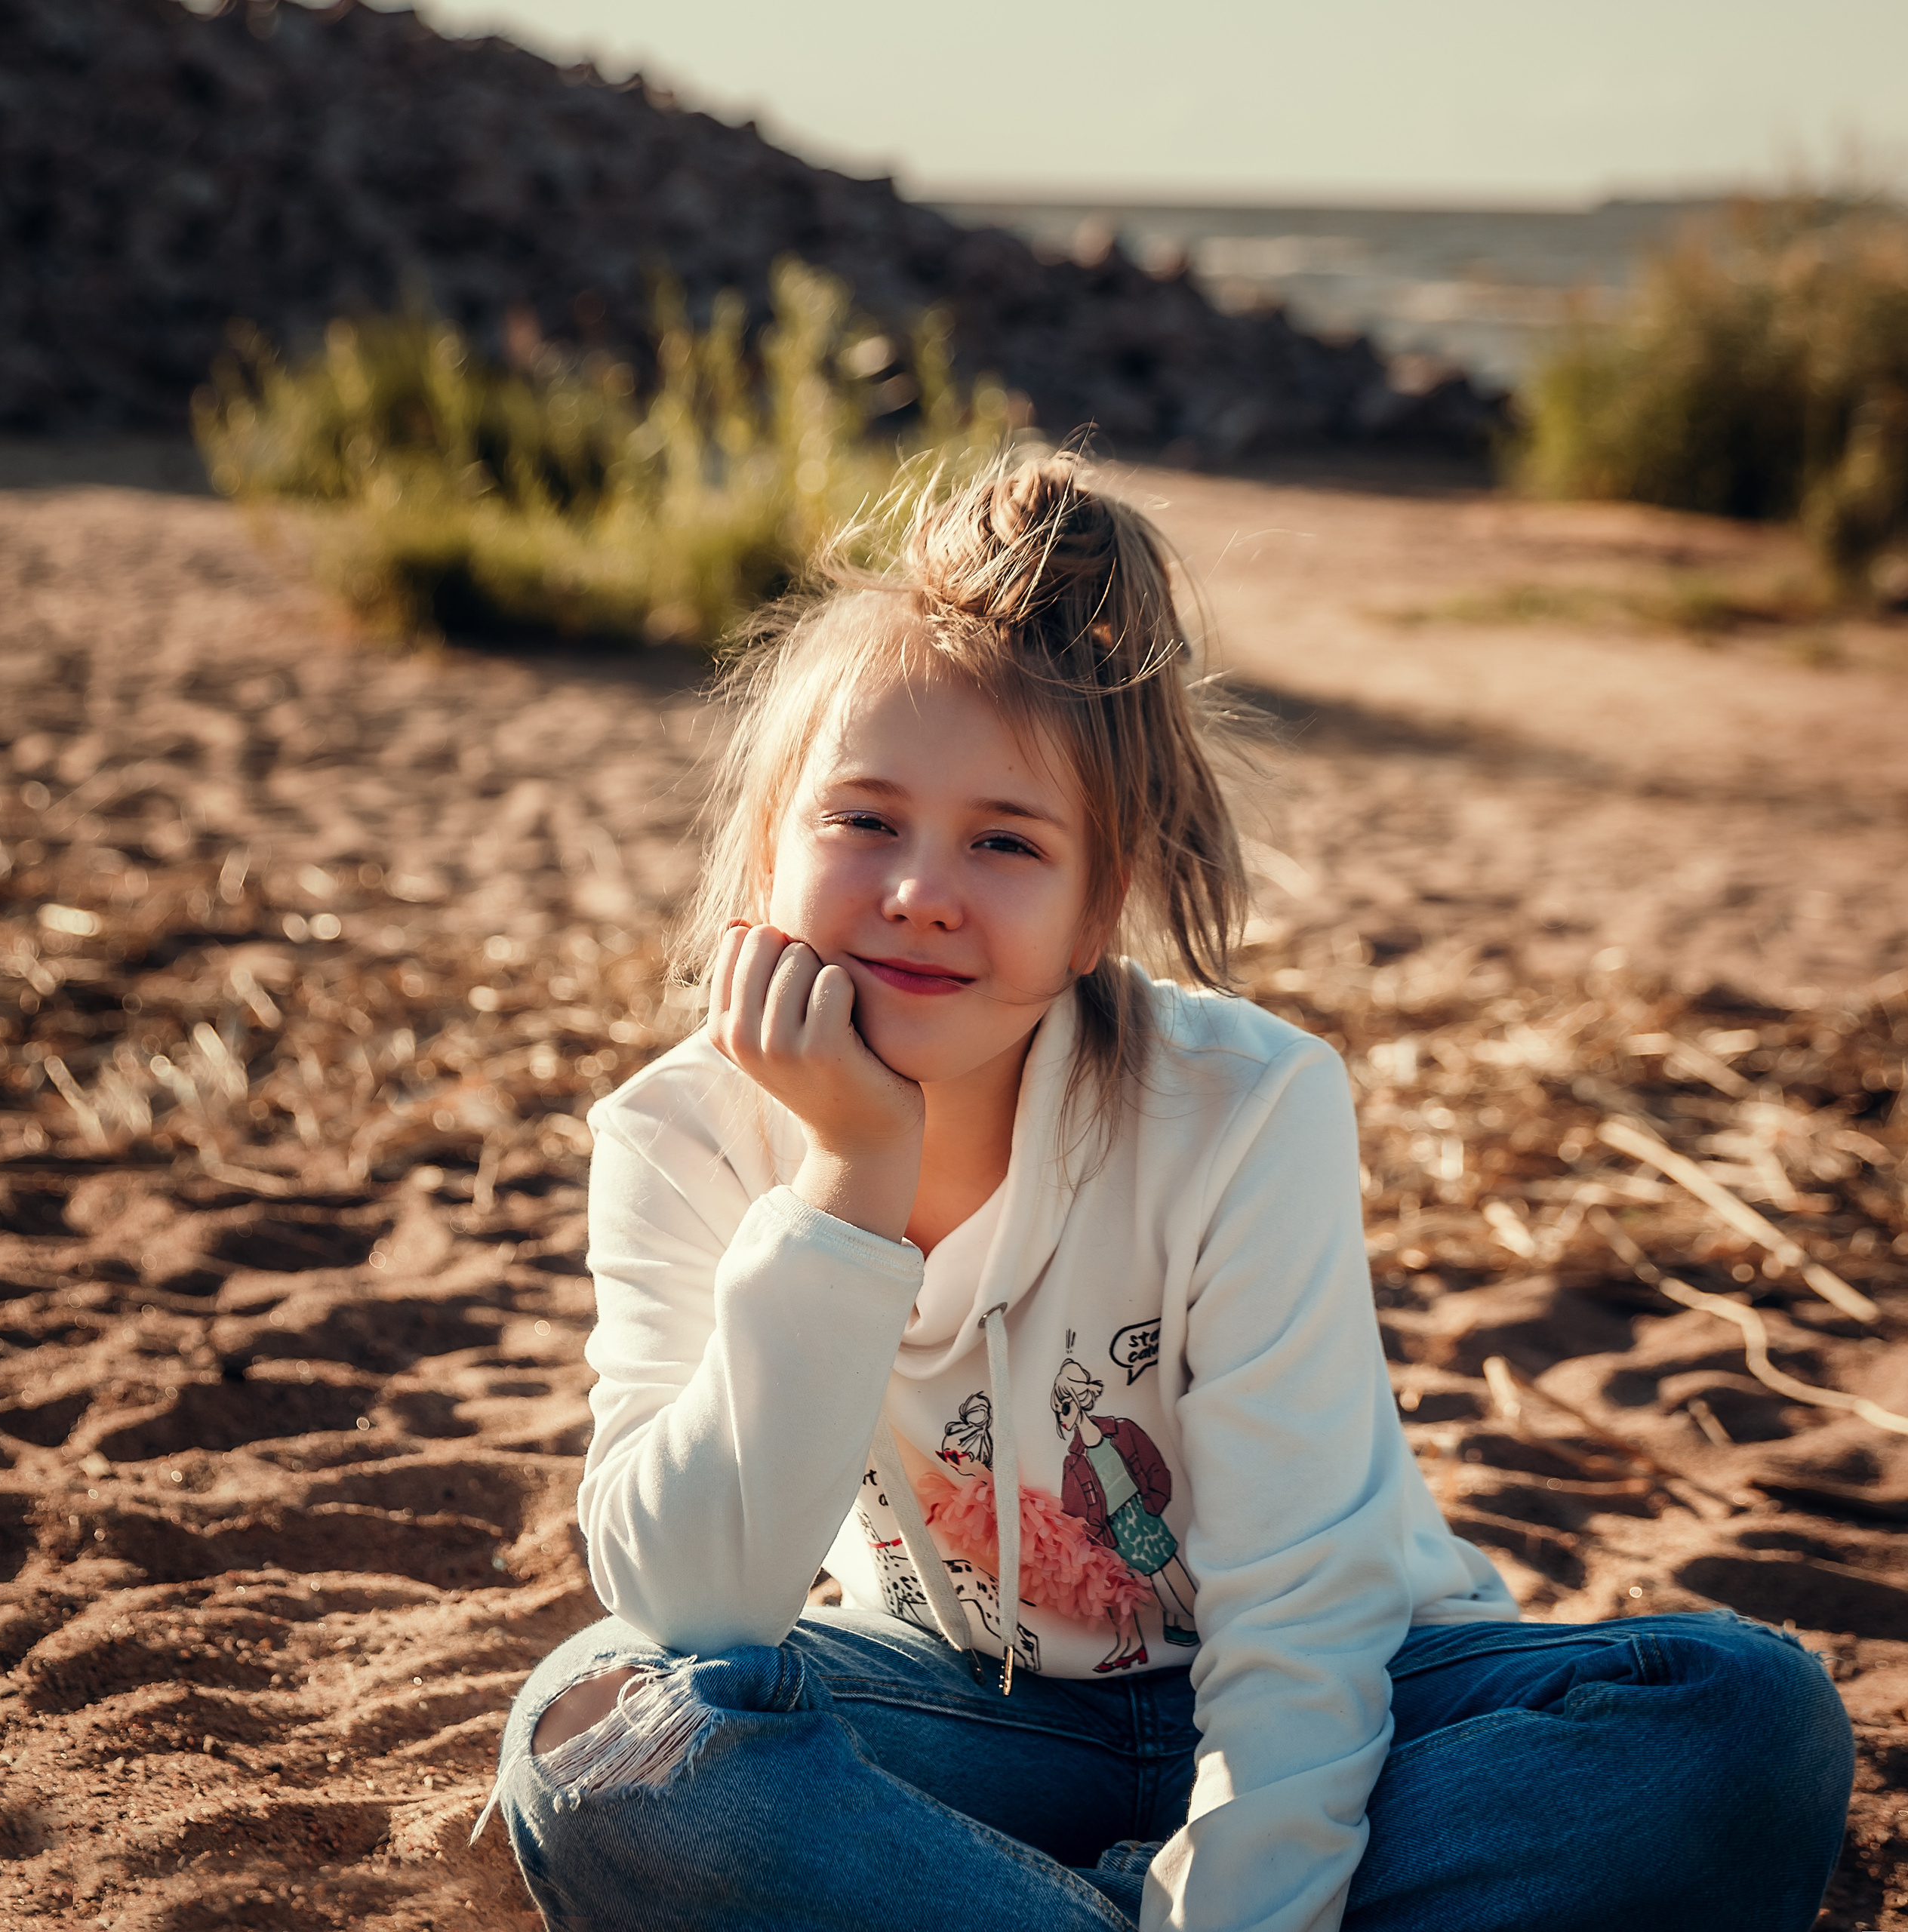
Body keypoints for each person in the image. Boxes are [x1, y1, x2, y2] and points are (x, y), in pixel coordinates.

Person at [485, 455, 1854, 1931]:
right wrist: (844, 1187)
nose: (920, 890)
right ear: (768, 849)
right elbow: (700, 1605)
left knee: (1747, 1717)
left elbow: (1304, 1620)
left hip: (1353, 1709)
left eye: (1005, 841)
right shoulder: (680, 1133)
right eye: (863, 820)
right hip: (969, 1717)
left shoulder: (1244, 1104)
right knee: (597, 1737)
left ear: (1098, 905)